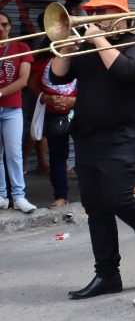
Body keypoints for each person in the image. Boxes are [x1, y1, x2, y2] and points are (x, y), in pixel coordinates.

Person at [47, 0, 135, 296]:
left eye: (101, 11)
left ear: (121, 14)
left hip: (123, 136)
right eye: (91, 12)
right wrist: (64, 45)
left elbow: (126, 71)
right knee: (95, 207)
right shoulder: (87, 45)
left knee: (118, 199)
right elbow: (58, 77)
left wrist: (98, 39)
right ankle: (107, 274)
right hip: (86, 135)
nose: (93, 17)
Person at [0, 11, 36, 213]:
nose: (1, 28)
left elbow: (23, 81)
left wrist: (1, 92)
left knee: (14, 153)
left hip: (12, 108)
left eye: (4, 24)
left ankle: (19, 196)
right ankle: (2, 196)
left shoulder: (21, 47)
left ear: (10, 27)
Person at [38, 56, 75, 208]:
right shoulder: (45, 59)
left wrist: (74, 101)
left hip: (83, 110)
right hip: (54, 114)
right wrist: (46, 98)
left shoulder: (85, 56)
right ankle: (61, 196)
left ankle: (96, 193)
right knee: (57, 155)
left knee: (89, 152)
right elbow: (32, 83)